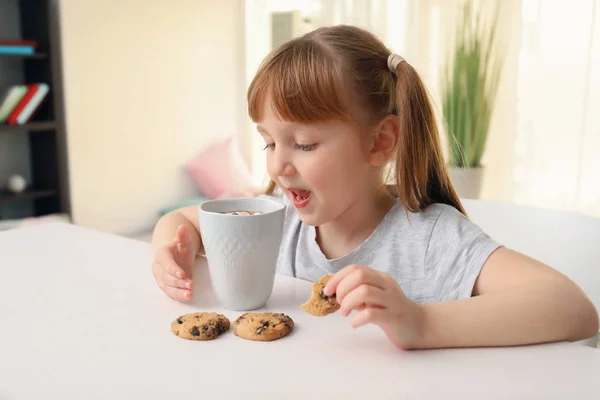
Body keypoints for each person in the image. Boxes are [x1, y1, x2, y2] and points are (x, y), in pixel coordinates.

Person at [151, 25, 598, 350]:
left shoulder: (428, 239)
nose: (277, 164)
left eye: (303, 144)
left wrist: (421, 324)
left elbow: (573, 309)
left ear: (379, 141)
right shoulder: (276, 221)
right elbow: (183, 222)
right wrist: (170, 245)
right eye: (268, 142)